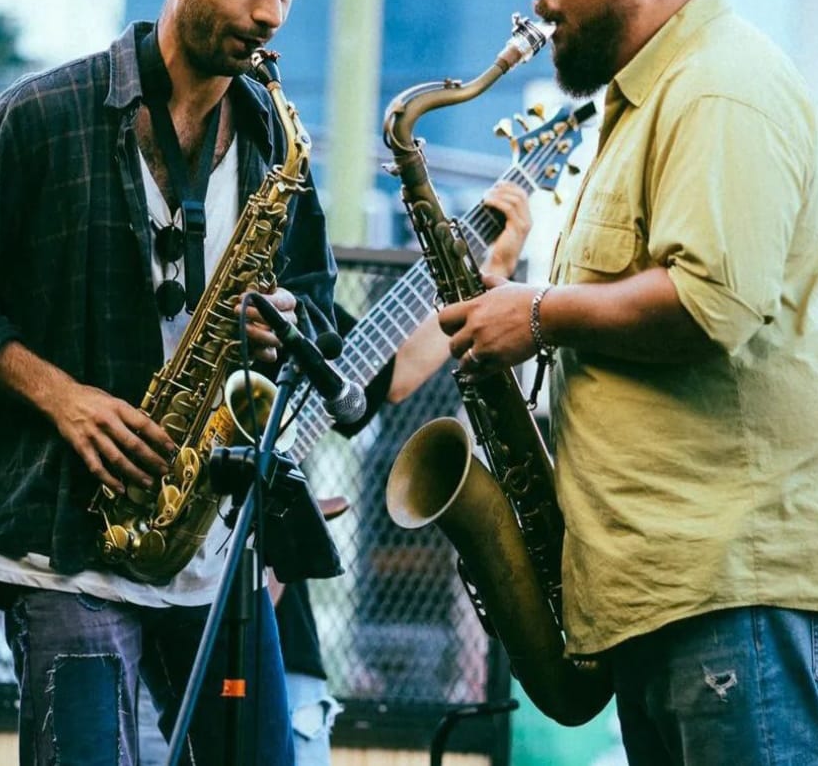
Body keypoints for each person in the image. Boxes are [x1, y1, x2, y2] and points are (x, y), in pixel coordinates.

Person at [436, 0, 818, 765]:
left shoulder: (721, 84)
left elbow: (709, 299)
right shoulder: (642, 102)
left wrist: (534, 315)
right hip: (677, 589)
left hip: (737, 582)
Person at [0, 0, 338, 766]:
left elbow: (322, 311)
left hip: (211, 552)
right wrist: (63, 396)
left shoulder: (271, 142)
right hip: (65, 546)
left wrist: (286, 321)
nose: (271, 16)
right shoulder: (40, 117)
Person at [135, 180, 534, 766]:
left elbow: (388, 374)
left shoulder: (288, 300)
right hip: (149, 617)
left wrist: (489, 277)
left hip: (275, 635)